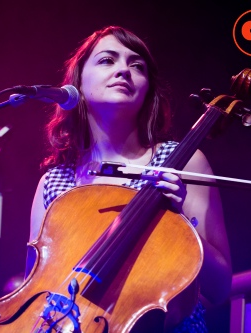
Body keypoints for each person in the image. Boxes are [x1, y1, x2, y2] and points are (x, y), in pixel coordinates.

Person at [27, 25, 232, 332]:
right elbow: (35, 296)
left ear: (147, 89)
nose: (124, 70)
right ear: (78, 83)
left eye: (137, 66)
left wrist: (179, 226)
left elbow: (219, 289)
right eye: (107, 60)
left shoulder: (181, 163)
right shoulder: (54, 182)